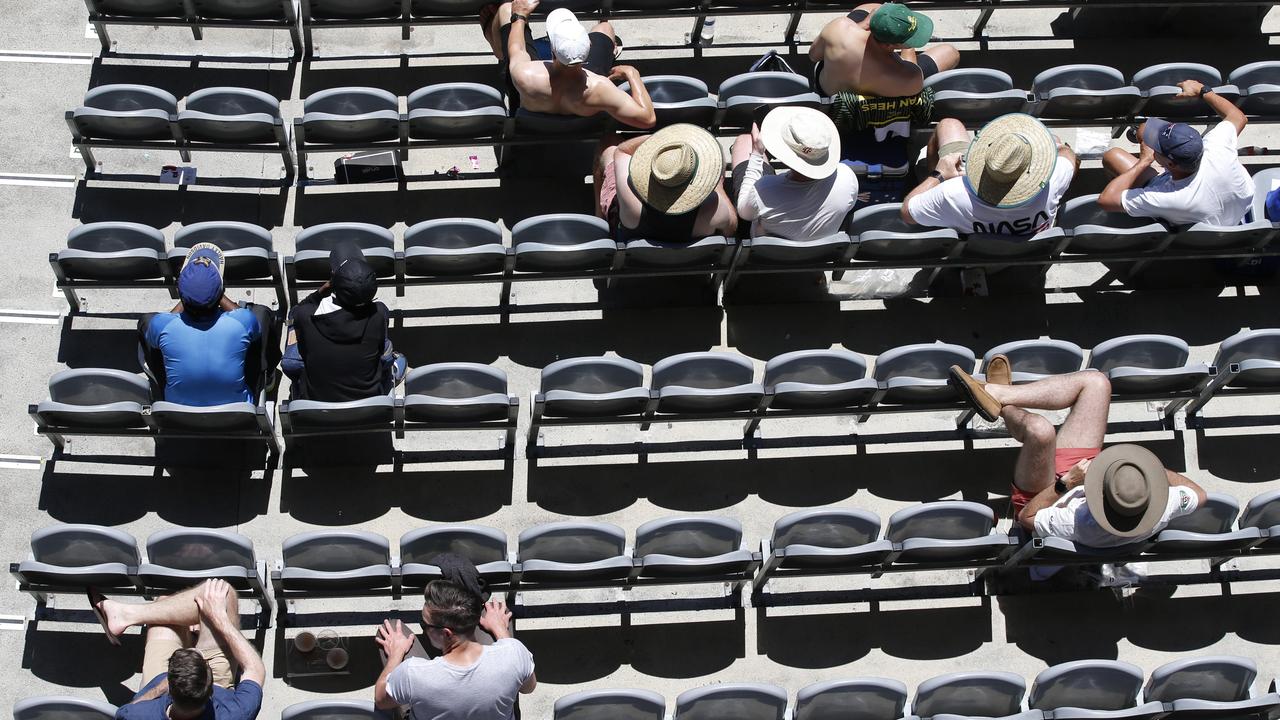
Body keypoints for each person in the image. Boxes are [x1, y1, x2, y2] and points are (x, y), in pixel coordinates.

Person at [949, 360, 1207, 548]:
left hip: (1048, 497)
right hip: (1087, 477)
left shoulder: (1078, 522)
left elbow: (1027, 518)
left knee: (1041, 431)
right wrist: (1149, 475)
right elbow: (1200, 495)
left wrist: (1066, 483)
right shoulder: (1165, 505)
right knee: (1097, 383)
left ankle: (998, 400)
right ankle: (1000, 393)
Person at [89, 579, 265, 720]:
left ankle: (125, 615)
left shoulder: (138, 716)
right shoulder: (235, 713)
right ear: (210, 688)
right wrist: (220, 619)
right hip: (207, 683)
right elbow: (255, 669)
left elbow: (129, 709)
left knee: (165, 603)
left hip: (157, 682)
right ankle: (127, 615)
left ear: (171, 689)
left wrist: (160, 687)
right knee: (222, 593)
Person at [374, 579, 536, 719]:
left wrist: (395, 655)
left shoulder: (412, 673)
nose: (423, 628)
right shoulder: (514, 653)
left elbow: (381, 700)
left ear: (445, 634)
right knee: (495, 610)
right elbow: (528, 688)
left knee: (392, 627)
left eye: (424, 624)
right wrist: (501, 630)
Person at [1098, 79, 1252, 226]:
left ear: (1170, 164)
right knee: (1144, 130)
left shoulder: (1168, 197)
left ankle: (1130, 212)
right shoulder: (1216, 148)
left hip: (1186, 218)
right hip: (1229, 217)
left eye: (1156, 148)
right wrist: (1203, 91)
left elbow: (1106, 201)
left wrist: (1143, 162)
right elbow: (1238, 117)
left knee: (1112, 156)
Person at [484, 0, 656, 128]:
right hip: (581, 120)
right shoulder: (601, 88)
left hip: (531, 121)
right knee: (605, 29)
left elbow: (517, 48)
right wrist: (633, 74)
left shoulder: (526, 75)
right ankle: (609, 45)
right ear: (588, 47)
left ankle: (497, 46)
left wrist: (519, 16)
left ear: (551, 49)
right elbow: (647, 119)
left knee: (506, 10)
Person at [902, 113, 1078, 236]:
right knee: (1054, 138)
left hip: (962, 218)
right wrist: (1057, 147)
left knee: (949, 124)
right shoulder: (1053, 179)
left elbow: (907, 213)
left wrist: (939, 174)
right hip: (1027, 250)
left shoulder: (952, 193)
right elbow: (1069, 156)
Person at [142, 243, 264, 406]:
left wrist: (190, 293)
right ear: (222, 291)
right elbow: (247, 320)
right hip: (236, 411)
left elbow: (166, 323)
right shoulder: (243, 320)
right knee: (262, 314)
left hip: (178, 412)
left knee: (146, 323)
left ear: (179, 292)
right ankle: (267, 379)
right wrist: (215, 292)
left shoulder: (161, 324)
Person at [281, 241, 405, 401]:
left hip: (318, 404)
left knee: (293, 337)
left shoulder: (306, 316)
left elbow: (294, 313)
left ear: (334, 284)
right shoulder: (379, 313)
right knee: (392, 356)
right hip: (370, 403)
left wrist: (319, 293)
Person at [729, 106, 859, 240]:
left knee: (744, 141)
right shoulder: (847, 177)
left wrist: (757, 153)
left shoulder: (764, 189)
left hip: (769, 253)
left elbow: (744, 213)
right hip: (820, 252)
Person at [592, 123, 737, 243]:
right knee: (719, 159)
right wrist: (717, 187)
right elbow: (731, 228)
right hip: (688, 260)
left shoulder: (631, 200)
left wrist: (659, 138)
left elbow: (621, 150)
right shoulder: (712, 208)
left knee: (609, 144)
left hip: (636, 254)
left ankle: (599, 217)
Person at [809, 2, 959, 98]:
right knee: (950, 52)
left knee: (866, 6)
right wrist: (908, 45)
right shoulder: (909, 77)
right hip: (880, 99)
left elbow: (814, 56)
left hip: (828, 94)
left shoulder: (840, 27)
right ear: (890, 46)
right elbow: (913, 72)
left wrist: (864, 24)